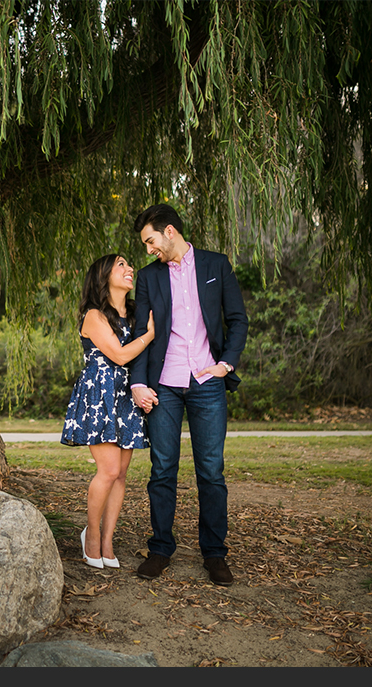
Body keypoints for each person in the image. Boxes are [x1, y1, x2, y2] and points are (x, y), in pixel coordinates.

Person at [129, 204, 249, 586]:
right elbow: (142, 333)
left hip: (207, 382)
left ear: (169, 231)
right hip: (163, 384)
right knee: (162, 470)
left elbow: (238, 319)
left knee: (211, 472)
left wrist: (226, 363)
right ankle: (160, 549)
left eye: (150, 241)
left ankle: (214, 554)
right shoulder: (148, 278)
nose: (148, 249)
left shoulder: (216, 265)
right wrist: (138, 382)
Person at [62, 254, 155, 569]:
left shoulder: (133, 314)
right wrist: (149, 335)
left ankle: (107, 540)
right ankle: (90, 535)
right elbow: (117, 354)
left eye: (130, 265)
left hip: (126, 395)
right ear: (103, 277)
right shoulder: (93, 316)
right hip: (100, 394)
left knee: (122, 474)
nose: (130, 269)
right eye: (121, 265)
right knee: (109, 470)